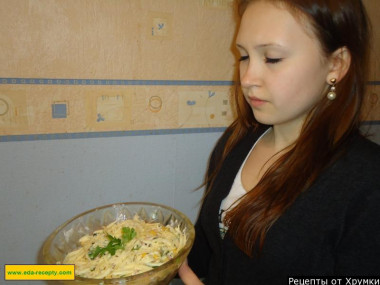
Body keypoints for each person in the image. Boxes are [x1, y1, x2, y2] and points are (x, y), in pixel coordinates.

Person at [178, 0, 380, 284]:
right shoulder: (236, 142)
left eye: (272, 58)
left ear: (336, 64)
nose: (247, 79)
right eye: (244, 56)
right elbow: (207, 255)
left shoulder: (368, 181)